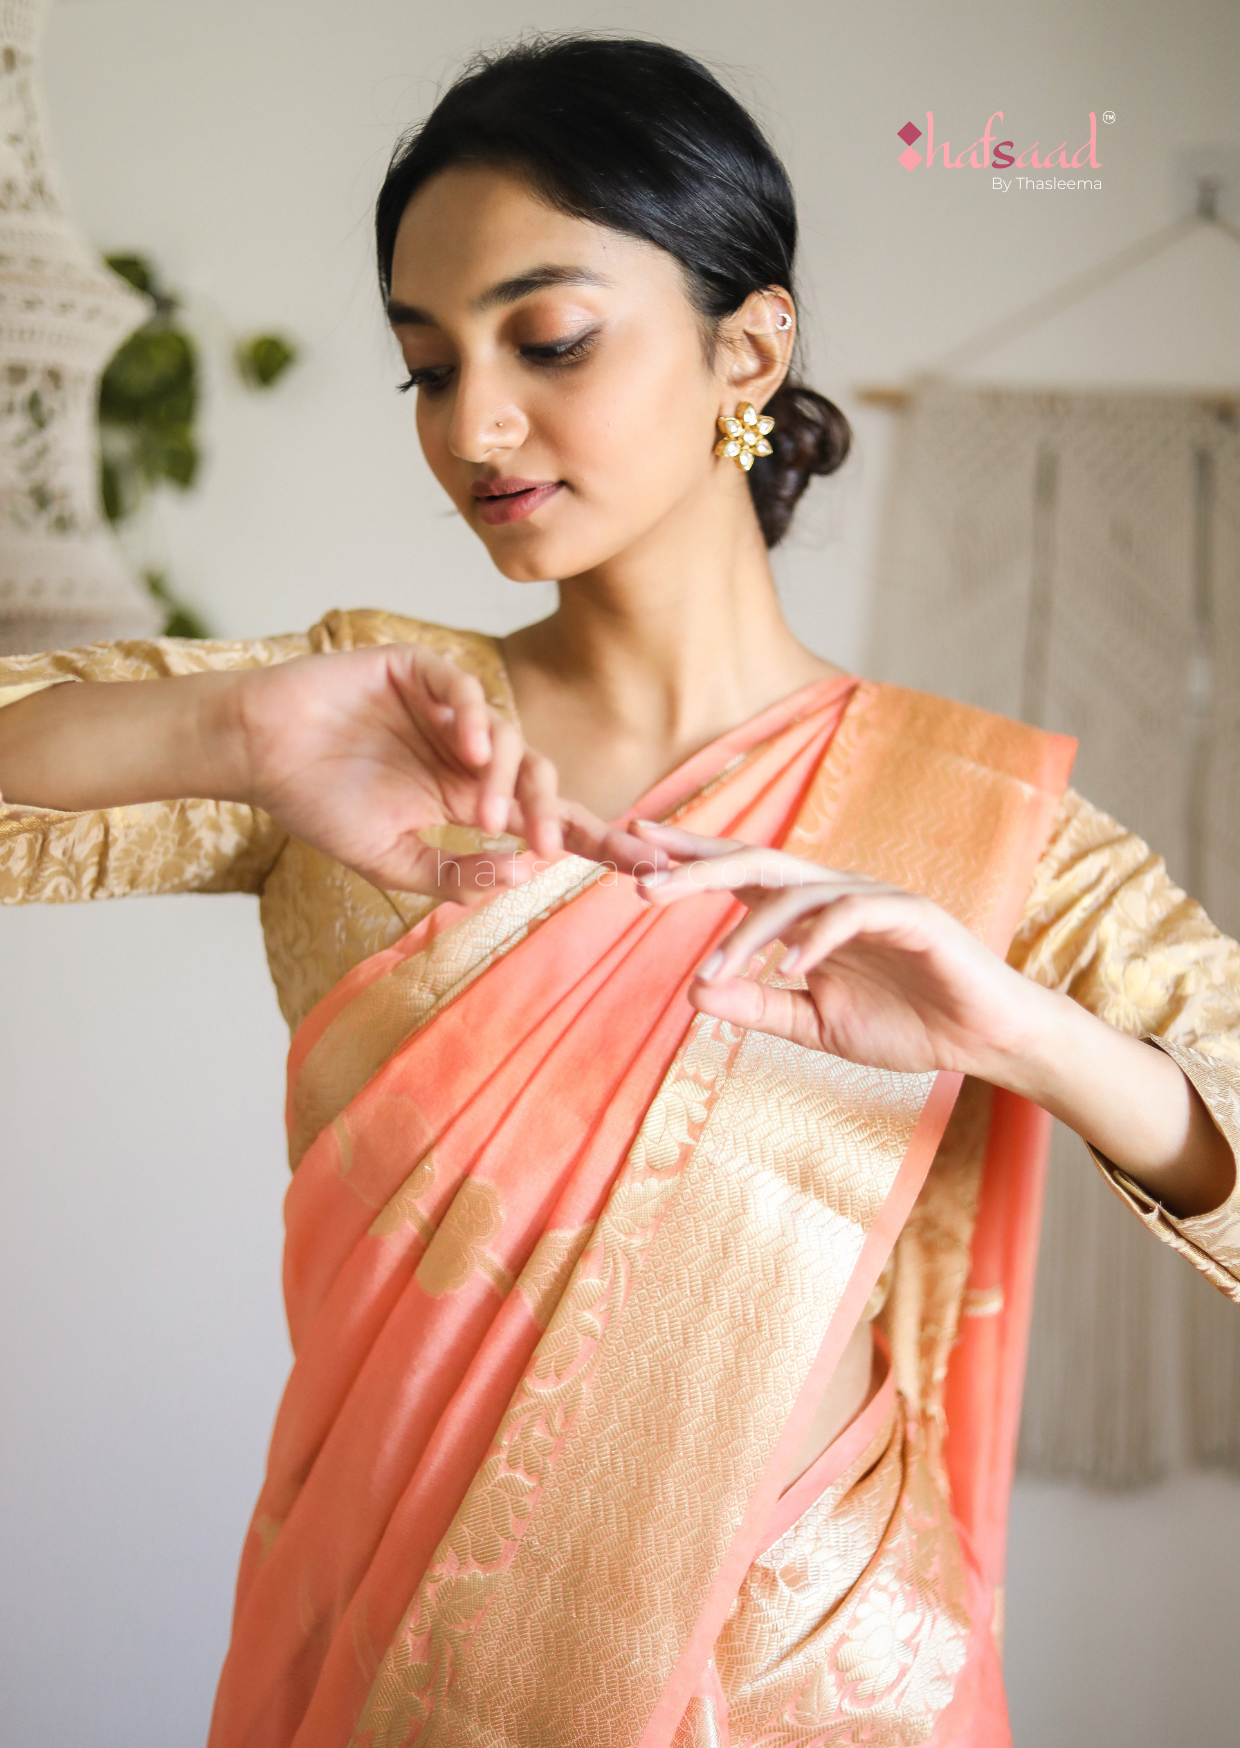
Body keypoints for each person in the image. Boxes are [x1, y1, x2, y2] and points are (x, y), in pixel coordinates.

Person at [1, 34, 1237, 1748]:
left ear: (753, 339)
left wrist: (1017, 1029)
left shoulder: (978, 824)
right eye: (425, 368)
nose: (474, 426)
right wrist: (219, 723)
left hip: (820, 1676)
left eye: (551, 337)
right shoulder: (366, 724)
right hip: (394, 1659)